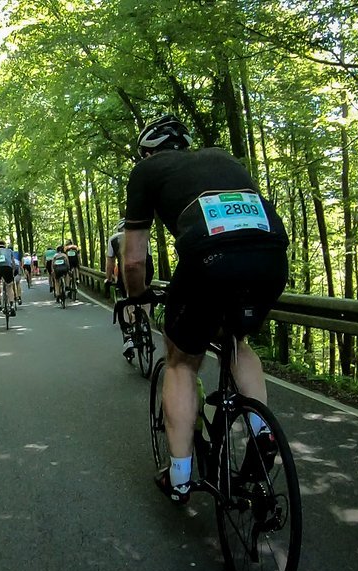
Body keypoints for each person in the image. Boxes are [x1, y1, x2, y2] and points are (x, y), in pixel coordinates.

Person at [123, 114, 289, 503]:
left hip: (211, 261)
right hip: (272, 256)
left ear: (147, 152)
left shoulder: (147, 170)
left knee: (181, 360)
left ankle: (179, 478)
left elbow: (132, 261)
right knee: (236, 339)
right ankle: (262, 431)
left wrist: (137, 295)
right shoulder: (224, 159)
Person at [106, 219, 154, 358]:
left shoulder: (114, 238)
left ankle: (129, 338)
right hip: (146, 270)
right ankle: (146, 326)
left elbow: (110, 262)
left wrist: (108, 279)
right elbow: (149, 259)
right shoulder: (142, 237)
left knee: (127, 300)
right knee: (145, 295)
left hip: (126, 272)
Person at [0, 240, 18, 313]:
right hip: (8, 267)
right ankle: (11, 305)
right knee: (9, 286)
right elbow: (13, 263)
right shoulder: (9, 251)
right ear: (4, 245)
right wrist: (13, 272)